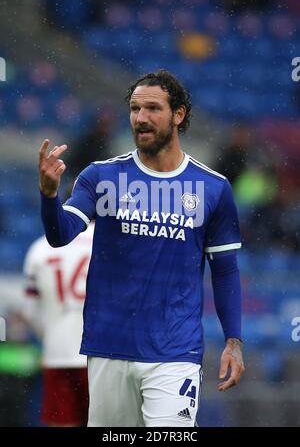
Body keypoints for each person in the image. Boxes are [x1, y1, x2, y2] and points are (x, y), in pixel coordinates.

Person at [38, 69, 245, 427]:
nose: (141, 118)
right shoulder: (100, 177)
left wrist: (234, 340)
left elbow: (225, 270)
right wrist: (49, 195)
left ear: (178, 115)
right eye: (135, 109)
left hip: (175, 350)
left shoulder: (213, 188)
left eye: (153, 108)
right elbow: (61, 234)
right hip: (109, 346)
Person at [23, 223, 94, 426]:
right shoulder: (109, 241)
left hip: (57, 353)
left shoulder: (39, 248)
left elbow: (30, 312)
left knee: (62, 424)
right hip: (101, 354)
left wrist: (51, 335)